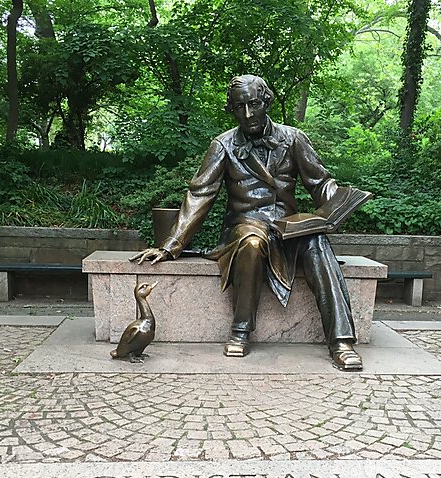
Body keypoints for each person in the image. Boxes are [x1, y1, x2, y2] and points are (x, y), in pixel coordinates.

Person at [131, 74, 363, 371]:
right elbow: (200, 194)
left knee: (318, 241)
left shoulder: (293, 139)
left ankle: (342, 341)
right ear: (232, 109)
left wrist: (340, 200)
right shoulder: (223, 145)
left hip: (286, 226)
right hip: (244, 225)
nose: (248, 114)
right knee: (251, 242)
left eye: (253, 104)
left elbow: (320, 183)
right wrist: (170, 245)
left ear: (266, 101)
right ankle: (241, 329)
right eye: (240, 107)